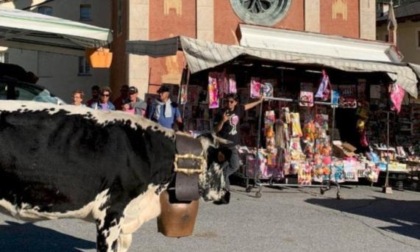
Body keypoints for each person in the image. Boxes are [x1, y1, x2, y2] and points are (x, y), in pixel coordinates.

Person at [213, 93, 263, 204]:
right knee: (231, 166)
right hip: (224, 145)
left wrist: (259, 101)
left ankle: (222, 181)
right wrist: (223, 120)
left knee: (233, 166)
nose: (229, 104)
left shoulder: (238, 109)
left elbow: (247, 106)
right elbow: (216, 129)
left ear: (235, 102)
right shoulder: (221, 112)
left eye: (231, 101)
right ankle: (225, 191)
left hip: (233, 145)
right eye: (227, 101)